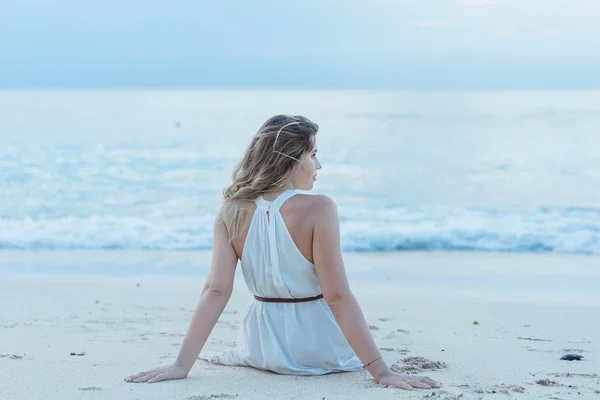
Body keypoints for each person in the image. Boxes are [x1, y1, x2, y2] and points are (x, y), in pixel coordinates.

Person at [125, 115, 441, 391]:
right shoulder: (320, 208)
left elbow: (216, 290)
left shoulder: (231, 210)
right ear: (290, 158)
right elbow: (338, 297)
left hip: (262, 348)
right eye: (313, 155)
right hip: (320, 349)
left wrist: (181, 366)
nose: (319, 165)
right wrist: (381, 371)